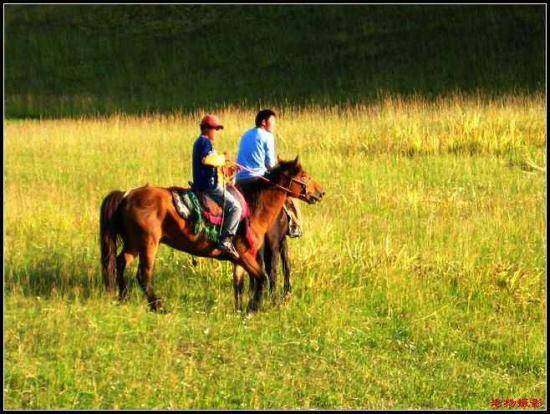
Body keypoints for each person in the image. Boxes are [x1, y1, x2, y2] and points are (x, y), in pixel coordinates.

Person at [235, 109, 303, 237]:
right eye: (273, 121)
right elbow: (271, 165)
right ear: (263, 122)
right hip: (257, 178)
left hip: (239, 179)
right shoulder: (267, 136)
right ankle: (295, 226)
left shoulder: (245, 135)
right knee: (289, 193)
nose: (274, 125)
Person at [192, 114, 241, 259]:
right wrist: (223, 158)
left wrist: (227, 165)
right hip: (209, 186)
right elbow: (207, 160)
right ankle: (225, 240)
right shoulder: (204, 142)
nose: (216, 132)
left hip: (206, 183)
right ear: (206, 129)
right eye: (215, 129)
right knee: (235, 207)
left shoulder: (201, 142)